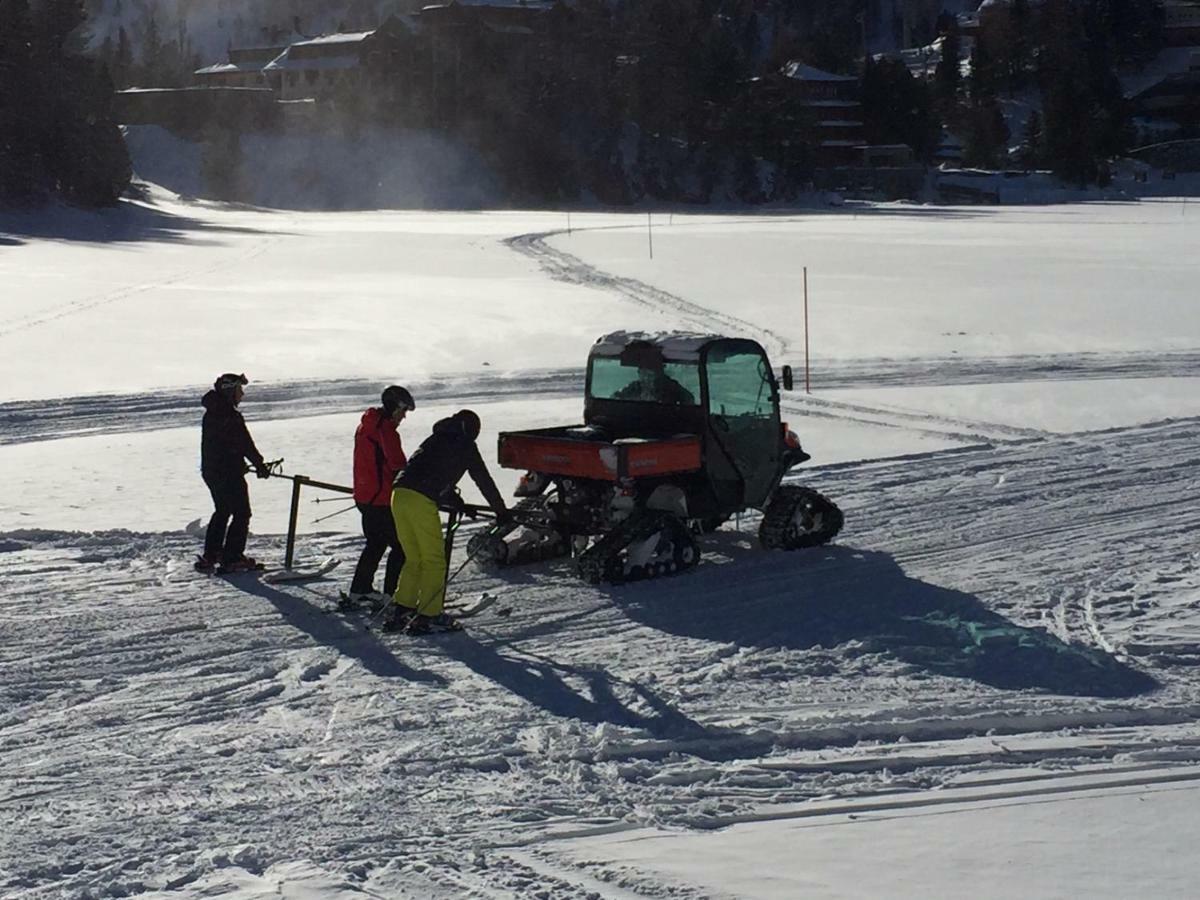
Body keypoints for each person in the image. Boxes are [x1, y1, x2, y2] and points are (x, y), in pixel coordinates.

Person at [388, 409, 510, 634]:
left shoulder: (437, 437)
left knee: (415, 557)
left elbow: (433, 473)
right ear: (470, 430)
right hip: (420, 501)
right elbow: (483, 478)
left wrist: (459, 504)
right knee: (435, 560)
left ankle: (401, 609)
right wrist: (500, 511)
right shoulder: (464, 445)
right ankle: (429, 615)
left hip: (398, 495)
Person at [197, 373, 271, 573]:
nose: (242, 395)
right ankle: (232, 557)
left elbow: (229, 445)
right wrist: (259, 465)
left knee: (222, 510)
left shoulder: (213, 411)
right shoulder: (229, 415)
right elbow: (244, 443)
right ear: (230, 391)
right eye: (239, 390)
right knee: (242, 512)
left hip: (212, 471)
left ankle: (212, 553)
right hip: (227, 473)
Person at [346, 385, 414, 604]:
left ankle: (360, 589)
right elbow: (398, 467)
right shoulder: (386, 431)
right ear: (396, 407)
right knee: (401, 546)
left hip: (364, 495)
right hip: (381, 498)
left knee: (375, 543)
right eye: (403, 411)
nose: (404, 416)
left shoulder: (367, 425)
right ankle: (392, 595)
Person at [614, 365, 695, 405]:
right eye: (643, 374)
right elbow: (616, 397)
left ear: (657, 374)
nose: (646, 378)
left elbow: (689, 399)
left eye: (650, 375)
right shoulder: (635, 386)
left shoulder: (670, 386)